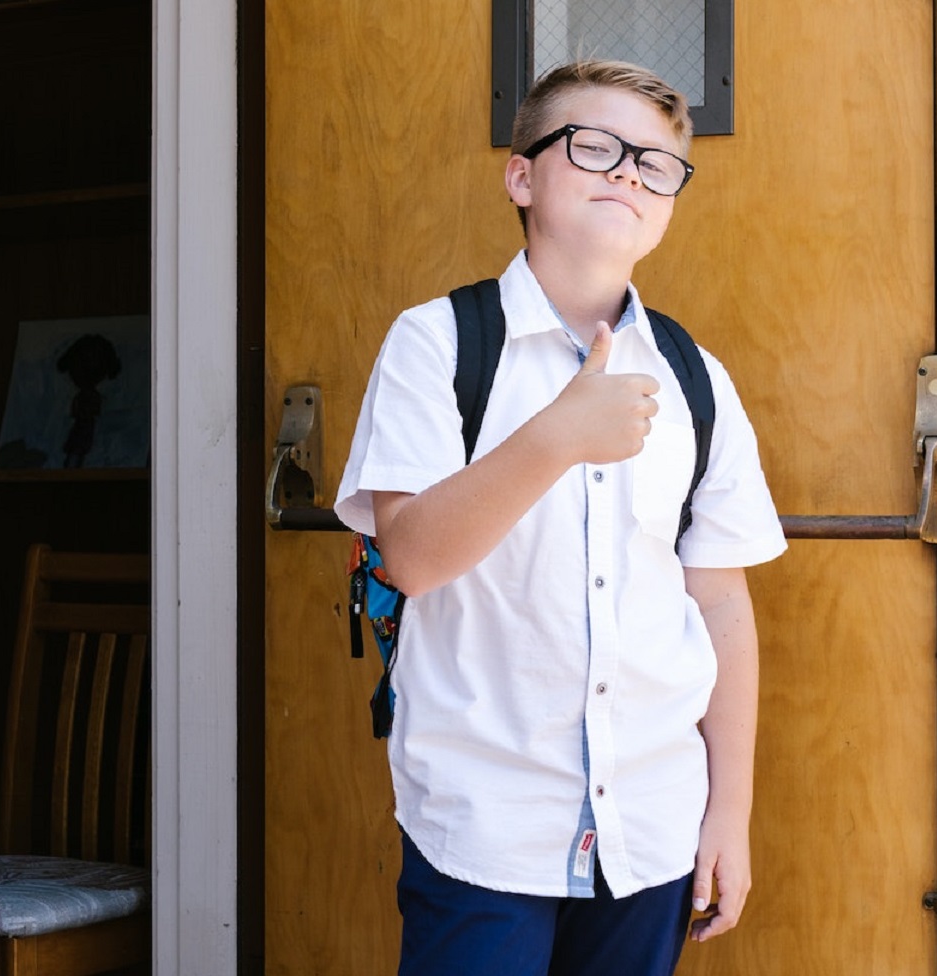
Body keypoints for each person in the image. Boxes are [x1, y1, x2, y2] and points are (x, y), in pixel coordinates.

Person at [334, 59, 787, 976]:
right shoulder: (436, 343)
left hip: (652, 825)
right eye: (594, 147)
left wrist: (728, 812)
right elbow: (410, 558)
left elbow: (718, 605)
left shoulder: (694, 377)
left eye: (655, 163)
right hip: (484, 822)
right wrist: (555, 437)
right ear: (521, 176)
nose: (628, 173)